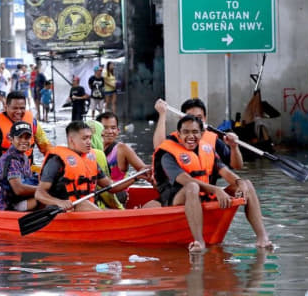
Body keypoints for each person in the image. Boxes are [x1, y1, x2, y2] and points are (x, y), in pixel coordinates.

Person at [152, 115, 271, 252]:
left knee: (247, 184)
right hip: (177, 198)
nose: (191, 136)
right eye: (186, 132)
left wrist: (239, 182)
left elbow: (226, 173)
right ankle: (199, 241)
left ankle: (263, 239)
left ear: (202, 134)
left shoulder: (207, 150)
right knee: (192, 187)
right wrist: (216, 190)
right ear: (178, 135)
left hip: (204, 195)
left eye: (195, 132)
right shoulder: (168, 155)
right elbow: (187, 180)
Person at [35, 121, 138, 212]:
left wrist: (136, 177)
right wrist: (59, 202)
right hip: (61, 210)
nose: (89, 142)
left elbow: (110, 186)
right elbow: (39, 194)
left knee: (86, 205)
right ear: (71, 140)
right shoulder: (56, 161)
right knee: (83, 204)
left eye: (90, 137)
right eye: (84, 138)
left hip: (87, 208)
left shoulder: (90, 159)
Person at [153, 98, 244, 173]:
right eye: (190, 117)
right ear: (182, 119)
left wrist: (234, 147)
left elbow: (237, 166)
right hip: (184, 189)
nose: (195, 122)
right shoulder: (175, 139)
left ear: (205, 119)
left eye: (199, 118)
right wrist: (162, 114)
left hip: (208, 191)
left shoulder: (214, 141)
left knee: (245, 184)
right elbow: (159, 147)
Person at [96, 111, 152, 204]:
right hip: (97, 194)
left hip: (117, 195)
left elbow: (145, 171)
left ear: (118, 130)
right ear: (97, 131)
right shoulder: (90, 149)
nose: (110, 131)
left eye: (113, 128)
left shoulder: (123, 149)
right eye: (105, 128)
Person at [0, 91, 52, 163]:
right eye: (15, 108)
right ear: (6, 107)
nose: (19, 111)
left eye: (22, 108)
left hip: (28, 170)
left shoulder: (33, 122)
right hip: (4, 171)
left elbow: (45, 145)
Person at [0, 121, 39, 211]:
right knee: (44, 198)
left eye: (27, 137)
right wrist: (43, 190)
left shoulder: (23, 156)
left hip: (16, 201)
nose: (24, 141)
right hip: (5, 208)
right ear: (11, 139)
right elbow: (19, 189)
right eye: (20, 137)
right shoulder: (12, 159)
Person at [86, 119, 123, 209]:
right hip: (92, 204)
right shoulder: (97, 154)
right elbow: (108, 191)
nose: (103, 140)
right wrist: (120, 209)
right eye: (102, 136)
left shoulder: (74, 152)